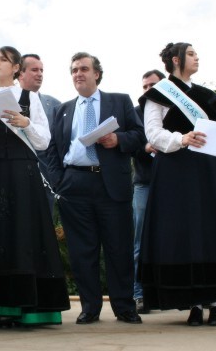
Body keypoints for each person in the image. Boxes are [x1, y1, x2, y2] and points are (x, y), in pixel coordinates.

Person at [139, 42, 216, 327]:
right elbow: (153, 133)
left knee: (212, 232)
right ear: (176, 60)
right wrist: (182, 139)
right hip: (175, 173)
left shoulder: (206, 95)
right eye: (191, 54)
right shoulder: (158, 95)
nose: (197, 57)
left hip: (209, 172)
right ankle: (193, 304)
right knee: (184, 235)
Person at [0, 46, 70, 326]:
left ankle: (24, 308)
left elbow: (43, 141)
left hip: (21, 172)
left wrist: (25, 122)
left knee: (21, 236)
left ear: (16, 68)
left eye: (2, 60)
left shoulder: (30, 97)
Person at [47, 52, 145, 325]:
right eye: (74, 70)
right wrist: (60, 181)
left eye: (84, 69)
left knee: (119, 249)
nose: (78, 74)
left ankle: (124, 307)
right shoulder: (63, 109)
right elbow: (53, 150)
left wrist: (118, 139)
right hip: (74, 186)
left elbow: (139, 136)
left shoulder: (120, 101)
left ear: (97, 74)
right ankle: (89, 307)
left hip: (111, 184)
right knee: (82, 251)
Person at [132, 69, 165, 314]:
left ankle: (169, 293)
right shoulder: (135, 113)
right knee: (140, 240)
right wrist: (145, 145)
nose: (148, 90)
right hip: (144, 183)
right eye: (144, 86)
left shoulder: (176, 111)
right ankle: (139, 294)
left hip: (173, 184)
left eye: (152, 85)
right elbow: (129, 142)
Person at [18, 54, 61, 215]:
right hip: (14, 175)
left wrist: (57, 176)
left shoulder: (55, 105)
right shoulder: (5, 100)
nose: (40, 74)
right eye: (34, 70)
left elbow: (59, 143)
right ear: (20, 72)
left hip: (46, 180)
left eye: (41, 70)